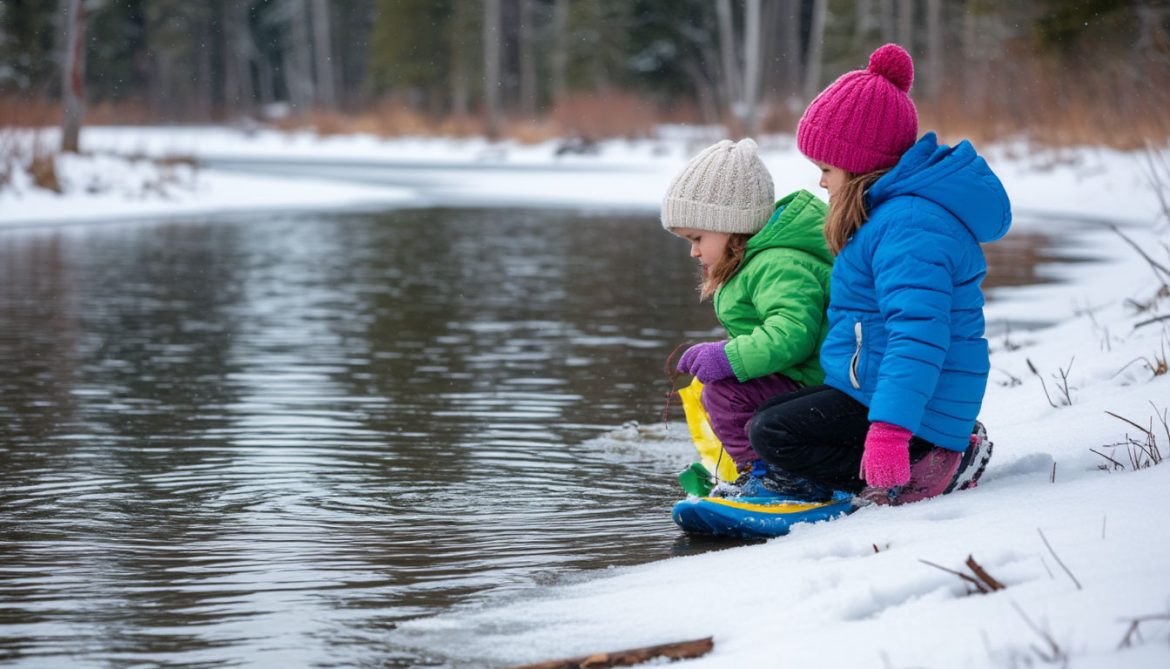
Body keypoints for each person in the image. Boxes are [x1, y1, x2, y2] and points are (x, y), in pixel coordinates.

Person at [747, 43, 1009, 505]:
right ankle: (886, 460)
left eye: (827, 168)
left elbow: (919, 336)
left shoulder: (908, 225)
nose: (821, 182)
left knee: (774, 432)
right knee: (769, 415)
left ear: (859, 164)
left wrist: (889, 434)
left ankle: (922, 467)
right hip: (895, 396)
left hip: (921, 413)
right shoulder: (889, 216)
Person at [662, 138, 833, 494]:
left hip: (818, 383)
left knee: (725, 394)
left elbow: (792, 334)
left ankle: (773, 477)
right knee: (717, 389)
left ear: (732, 225)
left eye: (697, 238)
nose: (694, 252)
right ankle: (760, 472)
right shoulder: (757, 262)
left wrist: (728, 357)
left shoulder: (778, 264)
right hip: (799, 377)